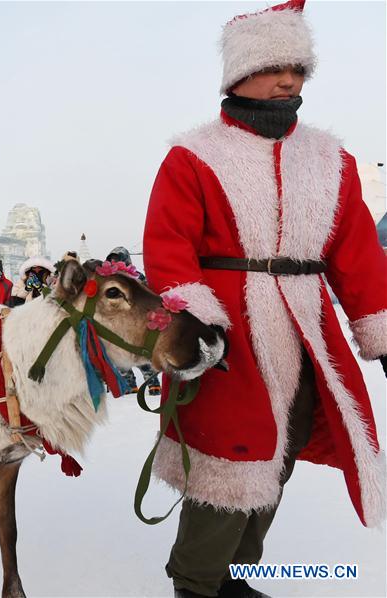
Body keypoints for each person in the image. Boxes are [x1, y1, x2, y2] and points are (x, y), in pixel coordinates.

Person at [142, 2, 387, 597]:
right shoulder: (193, 156)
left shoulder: (332, 161)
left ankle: (236, 577)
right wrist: (194, 323)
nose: (289, 80)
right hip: (226, 336)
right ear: (240, 70)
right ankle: (197, 583)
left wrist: (379, 331)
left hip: (307, 333)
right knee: (229, 459)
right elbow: (168, 248)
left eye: (300, 69)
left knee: (282, 451)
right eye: (276, 65)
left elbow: (355, 255)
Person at [103, 247, 161, 395]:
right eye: (112, 260)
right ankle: (129, 385)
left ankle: (152, 384)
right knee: (121, 356)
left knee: (142, 355)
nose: (115, 263)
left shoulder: (137, 277)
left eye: (117, 259)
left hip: (137, 324)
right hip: (117, 325)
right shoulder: (109, 281)